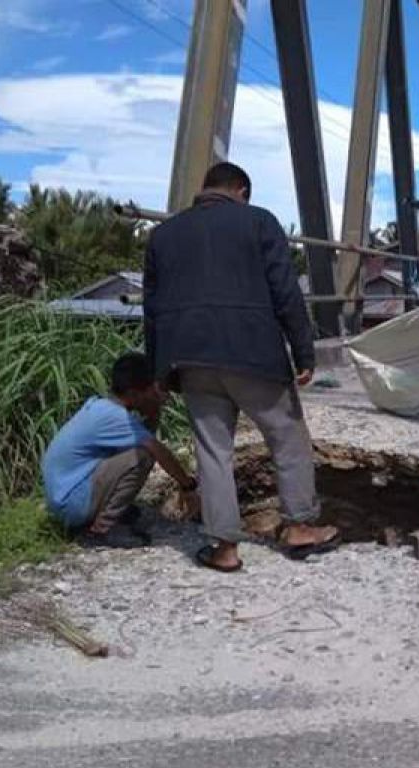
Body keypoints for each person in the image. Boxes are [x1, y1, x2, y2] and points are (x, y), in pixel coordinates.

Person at [144, 162, 338, 573]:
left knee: (213, 451)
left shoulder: (163, 235)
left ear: (205, 189)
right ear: (242, 190)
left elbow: (154, 310)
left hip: (191, 359)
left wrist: (158, 372)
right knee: (287, 438)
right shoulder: (259, 222)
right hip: (255, 356)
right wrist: (304, 353)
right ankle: (300, 527)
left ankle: (224, 549)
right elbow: (287, 293)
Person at [41, 353, 198, 541]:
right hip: (71, 504)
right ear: (133, 393)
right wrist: (188, 486)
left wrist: (153, 411)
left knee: (136, 451)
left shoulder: (102, 407)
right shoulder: (115, 417)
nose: (157, 393)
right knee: (142, 456)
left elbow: (143, 435)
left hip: (66, 497)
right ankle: (102, 528)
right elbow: (155, 449)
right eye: (151, 390)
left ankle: (104, 512)